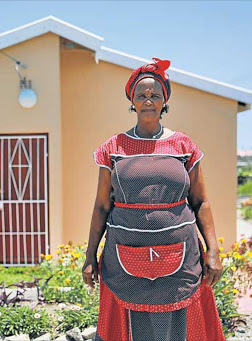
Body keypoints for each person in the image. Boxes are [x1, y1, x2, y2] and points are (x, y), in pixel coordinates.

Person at [82, 57, 226, 341]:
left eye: (155, 95)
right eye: (142, 95)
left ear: (164, 101)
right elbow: (101, 205)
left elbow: (201, 201)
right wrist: (89, 256)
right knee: (129, 322)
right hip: (124, 250)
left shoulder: (184, 146)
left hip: (180, 252)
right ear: (132, 101)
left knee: (180, 321)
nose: (148, 100)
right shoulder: (114, 148)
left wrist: (213, 250)